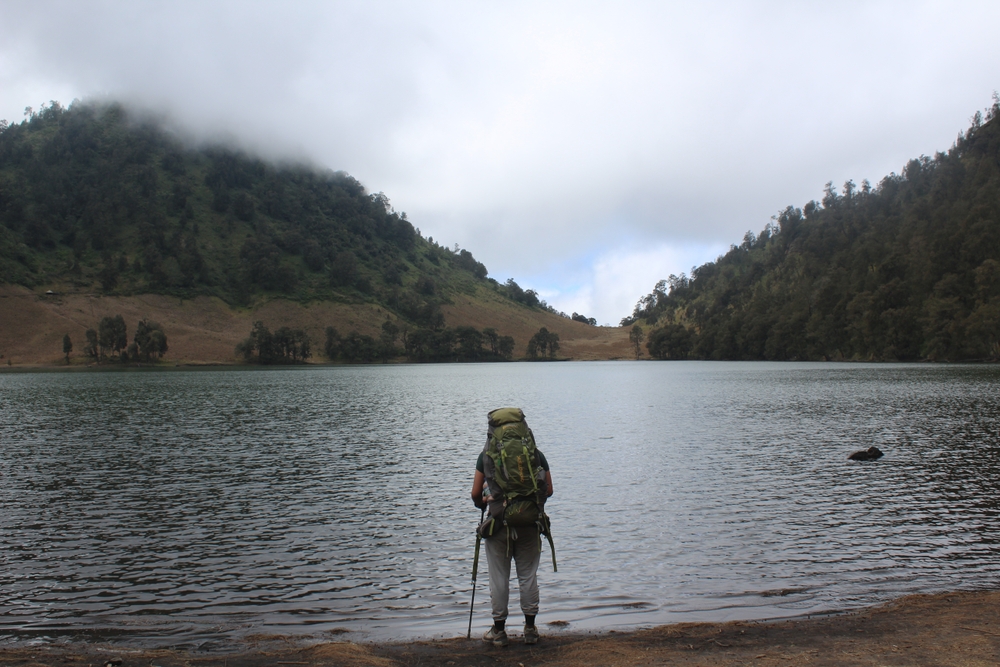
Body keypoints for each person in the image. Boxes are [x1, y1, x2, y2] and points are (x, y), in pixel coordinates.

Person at [470, 431, 554, 647]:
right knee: (528, 575)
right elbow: (549, 490)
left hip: (498, 525)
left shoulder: (485, 457)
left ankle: (498, 631)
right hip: (529, 524)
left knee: (499, 577)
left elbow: (475, 494)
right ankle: (530, 630)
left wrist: (484, 502)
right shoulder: (537, 455)